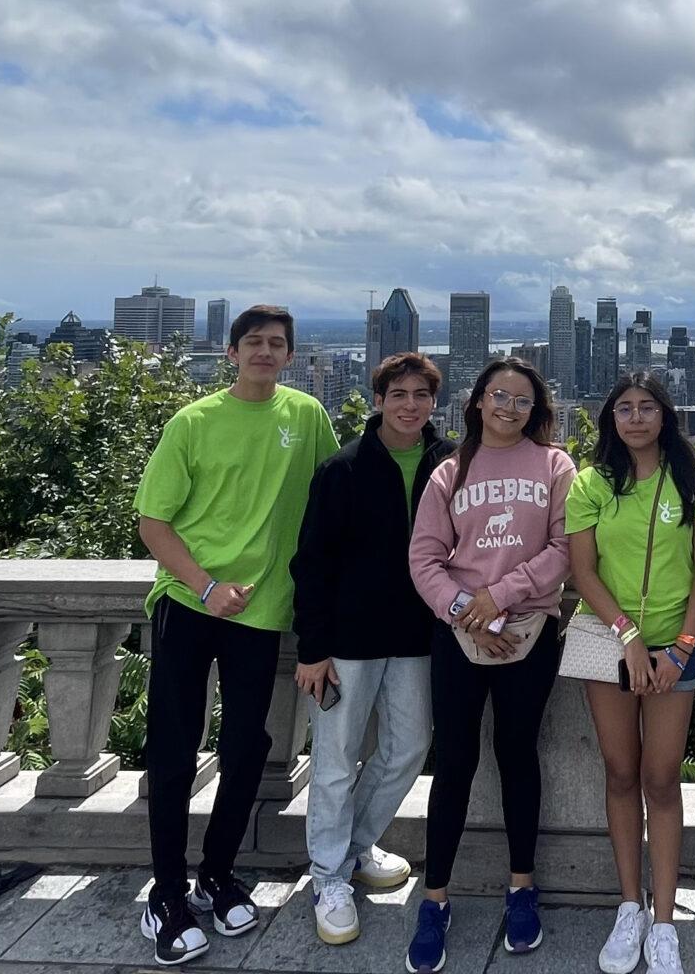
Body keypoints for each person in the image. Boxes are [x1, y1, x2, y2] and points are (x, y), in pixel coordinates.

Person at [134, 304, 337, 967]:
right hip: (189, 605)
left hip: (263, 611)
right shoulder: (193, 422)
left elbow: (335, 498)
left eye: (277, 343)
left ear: (291, 356)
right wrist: (204, 586)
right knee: (173, 748)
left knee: (247, 748)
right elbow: (153, 522)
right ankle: (166, 893)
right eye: (254, 342)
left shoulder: (307, 415)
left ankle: (217, 873)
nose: (265, 352)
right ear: (231, 352)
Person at [404, 357, 574, 974]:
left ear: (536, 410)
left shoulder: (556, 466)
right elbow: (424, 558)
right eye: (499, 395)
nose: (509, 407)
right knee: (453, 761)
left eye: (522, 400)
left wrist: (498, 598)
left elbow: (565, 549)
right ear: (478, 401)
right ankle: (434, 898)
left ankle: (522, 887)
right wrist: (466, 612)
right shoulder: (450, 471)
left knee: (517, 754)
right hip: (460, 635)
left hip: (529, 631)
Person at [290, 351, 453, 945]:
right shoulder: (344, 469)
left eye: (421, 395)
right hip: (348, 641)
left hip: (417, 636)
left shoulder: (451, 463)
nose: (410, 406)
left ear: (434, 402)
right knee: (335, 759)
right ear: (378, 400)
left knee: (408, 747)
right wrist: (313, 648)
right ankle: (327, 876)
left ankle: (354, 846)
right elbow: (312, 563)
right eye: (398, 394)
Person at [565, 373, 695, 974]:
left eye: (646, 407)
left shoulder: (693, 480)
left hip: (675, 645)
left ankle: (665, 919)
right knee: (622, 773)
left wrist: (680, 648)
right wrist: (628, 636)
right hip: (610, 640)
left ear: (664, 416)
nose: (635, 418)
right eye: (624, 408)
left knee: (661, 778)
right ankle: (630, 905)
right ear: (611, 418)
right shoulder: (591, 483)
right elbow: (583, 570)